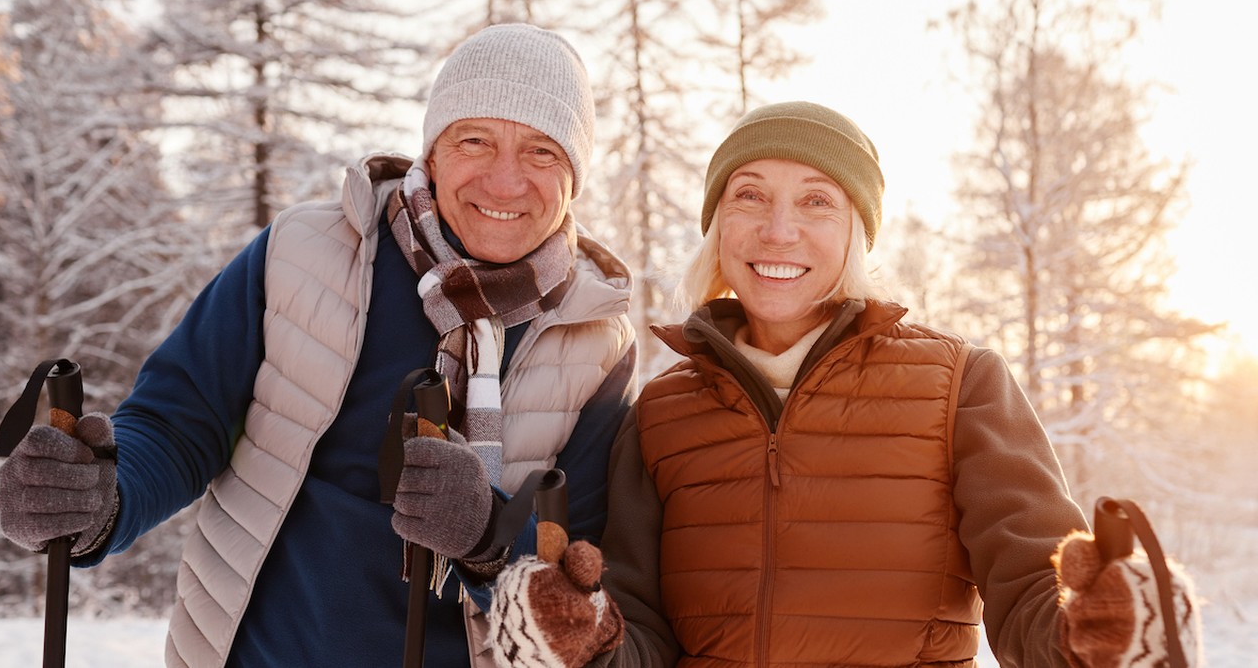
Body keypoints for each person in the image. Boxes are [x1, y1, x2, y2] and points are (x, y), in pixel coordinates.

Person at [0, 23, 637, 668]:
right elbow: (179, 424)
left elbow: (578, 576)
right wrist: (101, 497)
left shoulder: (597, 339)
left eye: (542, 152)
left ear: (575, 177)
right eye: (475, 140)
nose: (504, 182)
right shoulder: (302, 254)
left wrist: (484, 533)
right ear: (432, 155)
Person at [486, 101, 1203, 667]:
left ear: (857, 229)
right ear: (717, 226)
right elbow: (641, 633)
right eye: (750, 195)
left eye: (817, 201)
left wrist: (1098, 627)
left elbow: (1032, 593)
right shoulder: (662, 413)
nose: (778, 230)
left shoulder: (959, 385)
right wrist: (586, 637)